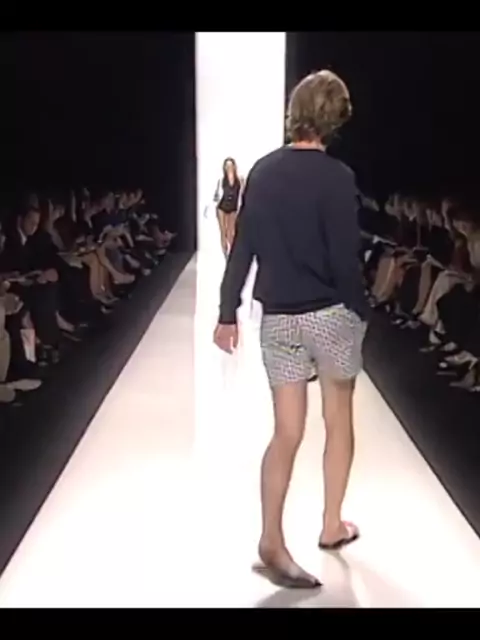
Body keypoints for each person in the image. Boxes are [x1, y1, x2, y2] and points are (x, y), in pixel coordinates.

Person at [213, 70, 368, 589]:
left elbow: (244, 246)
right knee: (338, 420)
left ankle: (271, 539)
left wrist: (227, 310)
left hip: (278, 318)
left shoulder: (263, 171)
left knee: (286, 431)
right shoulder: (338, 178)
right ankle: (331, 525)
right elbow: (345, 258)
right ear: (336, 117)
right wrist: (360, 310)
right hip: (330, 315)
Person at [213, 158, 244, 257]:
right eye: (227, 166)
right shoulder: (221, 180)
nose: (229, 167)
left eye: (231, 165)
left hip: (233, 208)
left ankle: (231, 253)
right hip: (222, 207)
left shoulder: (239, 180)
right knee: (223, 232)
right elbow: (216, 195)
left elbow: (242, 194)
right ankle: (225, 255)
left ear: (234, 166)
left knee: (232, 232)